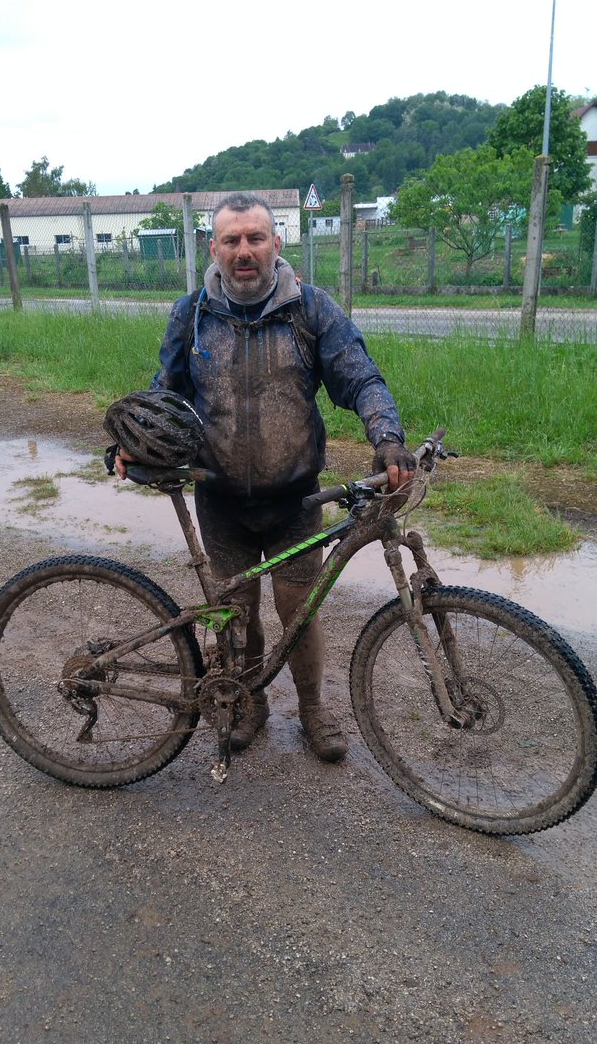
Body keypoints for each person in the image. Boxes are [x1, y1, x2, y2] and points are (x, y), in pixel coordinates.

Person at [115, 192, 415, 762]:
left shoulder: (311, 309)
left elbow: (361, 378)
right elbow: (165, 394)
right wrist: (134, 443)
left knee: (299, 610)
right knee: (237, 614)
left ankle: (312, 709)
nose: (244, 251)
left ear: (277, 244)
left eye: (255, 238)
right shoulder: (191, 314)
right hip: (220, 498)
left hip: (296, 500)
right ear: (215, 249)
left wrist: (388, 438)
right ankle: (249, 703)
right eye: (232, 240)